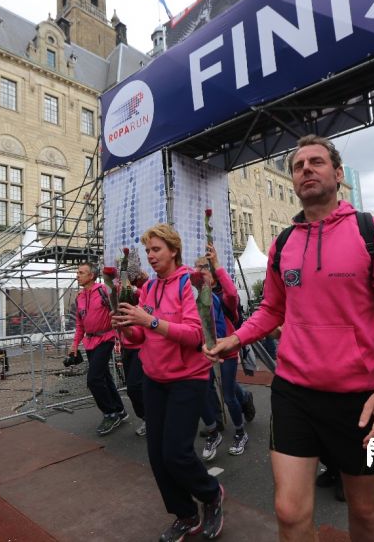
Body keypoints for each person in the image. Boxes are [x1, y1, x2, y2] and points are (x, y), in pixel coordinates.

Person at [204, 135, 374, 542]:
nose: (306, 169)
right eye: (298, 166)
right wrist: (237, 338)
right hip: (294, 392)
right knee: (288, 511)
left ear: (337, 174)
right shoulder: (283, 244)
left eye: (316, 162)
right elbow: (272, 309)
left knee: (368, 509)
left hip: (369, 396)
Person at [113, 224, 224, 541]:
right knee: (157, 457)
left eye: (156, 249)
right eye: (148, 250)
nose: (150, 256)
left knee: (176, 453)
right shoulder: (148, 288)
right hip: (155, 378)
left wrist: (149, 320)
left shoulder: (191, 282)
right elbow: (140, 336)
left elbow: (195, 334)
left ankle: (212, 494)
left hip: (187, 379)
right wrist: (126, 326)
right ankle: (185, 514)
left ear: (173, 250)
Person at [196, 245, 249, 461]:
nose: (199, 272)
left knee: (228, 395)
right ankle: (213, 432)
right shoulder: (196, 298)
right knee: (203, 392)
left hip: (227, 351)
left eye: (203, 269)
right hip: (206, 353)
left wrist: (216, 264)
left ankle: (240, 432)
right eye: (196, 268)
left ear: (212, 275)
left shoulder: (224, 298)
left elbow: (232, 292)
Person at [71, 263, 128, 436]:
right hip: (90, 341)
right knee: (104, 377)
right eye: (77, 272)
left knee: (94, 379)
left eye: (81, 272)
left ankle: (110, 413)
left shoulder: (104, 290)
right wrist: (74, 344)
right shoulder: (80, 297)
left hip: (106, 338)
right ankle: (119, 410)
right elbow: (80, 324)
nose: (77, 275)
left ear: (92, 276)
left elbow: (118, 303)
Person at [120, 272, 149, 437]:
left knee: (134, 387)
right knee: (133, 387)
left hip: (140, 346)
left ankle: (149, 418)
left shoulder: (141, 291)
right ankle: (147, 418)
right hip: (126, 346)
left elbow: (142, 297)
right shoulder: (121, 290)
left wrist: (134, 288)